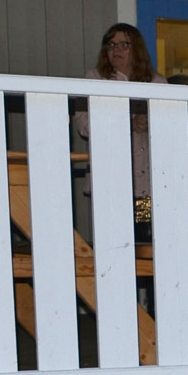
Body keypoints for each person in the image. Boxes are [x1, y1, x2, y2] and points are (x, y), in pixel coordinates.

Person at [78, 23, 165, 233]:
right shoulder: (94, 79)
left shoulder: (156, 83)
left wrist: (151, 124)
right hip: (108, 186)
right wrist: (129, 123)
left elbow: (172, 130)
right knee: (111, 238)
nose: (116, 50)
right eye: (111, 45)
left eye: (123, 45)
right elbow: (84, 125)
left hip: (146, 186)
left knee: (144, 240)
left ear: (137, 48)